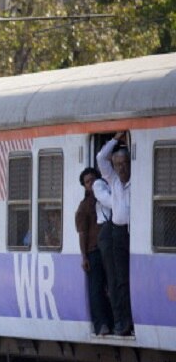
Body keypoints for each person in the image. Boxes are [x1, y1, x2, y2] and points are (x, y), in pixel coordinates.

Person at [96, 132, 132, 336]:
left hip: (135, 232)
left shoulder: (137, 181)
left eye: (125, 163)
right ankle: (122, 321)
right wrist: (116, 139)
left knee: (131, 278)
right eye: (117, 164)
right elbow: (101, 158)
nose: (121, 168)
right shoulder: (113, 181)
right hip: (118, 233)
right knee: (118, 279)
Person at [75, 167, 113, 336]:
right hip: (94, 251)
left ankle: (113, 322)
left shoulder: (108, 198)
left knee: (113, 287)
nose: (91, 184)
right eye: (87, 182)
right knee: (97, 289)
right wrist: (84, 256)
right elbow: (82, 233)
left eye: (92, 180)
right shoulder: (84, 207)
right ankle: (101, 324)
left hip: (111, 250)